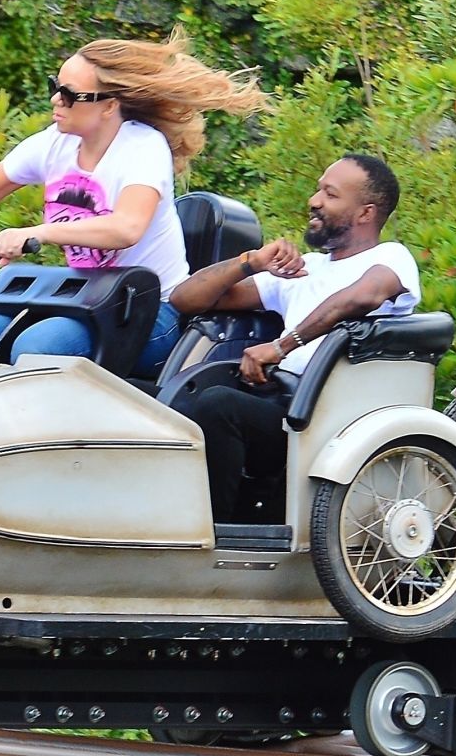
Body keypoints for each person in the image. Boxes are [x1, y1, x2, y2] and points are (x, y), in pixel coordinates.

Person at [0, 30, 267, 378]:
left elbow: (125, 228)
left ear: (109, 105)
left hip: (149, 312)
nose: (57, 101)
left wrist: (38, 232)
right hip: (81, 298)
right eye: (54, 87)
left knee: (39, 347)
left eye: (71, 95)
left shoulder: (142, 148)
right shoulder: (55, 143)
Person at [169, 153, 421, 521]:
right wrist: (251, 262)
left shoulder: (391, 258)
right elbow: (185, 300)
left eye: (330, 195)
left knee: (219, 406)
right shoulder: (305, 269)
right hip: (284, 406)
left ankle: (211, 533)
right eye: (318, 190)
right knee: (186, 406)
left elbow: (360, 298)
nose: (314, 201)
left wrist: (282, 346)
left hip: (335, 419)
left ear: (366, 213)